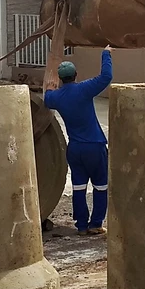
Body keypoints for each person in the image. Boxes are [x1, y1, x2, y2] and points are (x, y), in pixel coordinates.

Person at [43, 47, 113, 236]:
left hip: (74, 149)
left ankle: (81, 226)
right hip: (94, 146)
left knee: (79, 187)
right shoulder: (84, 89)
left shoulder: (55, 97)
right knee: (100, 186)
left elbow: (46, 98)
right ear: (76, 75)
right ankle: (95, 224)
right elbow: (106, 76)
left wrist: (49, 88)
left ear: (60, 78)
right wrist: (106, 53)